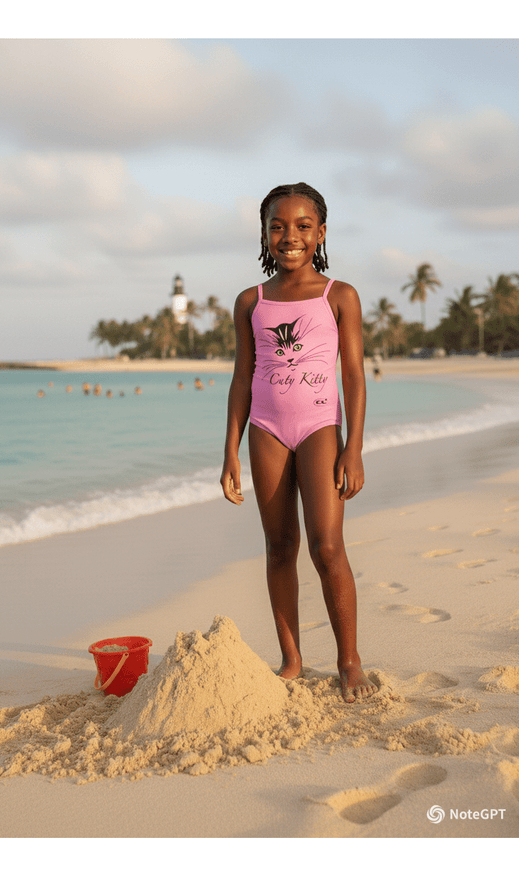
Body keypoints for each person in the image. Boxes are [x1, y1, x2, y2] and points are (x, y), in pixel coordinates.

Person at [220, 182, 377, 703]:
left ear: (321, 233)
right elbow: (243, 377)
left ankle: (349, 661)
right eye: (278, 226)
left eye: (302, 226)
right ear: (264, 235)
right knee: (279, 545)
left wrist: (352, 447)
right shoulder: (251, 301)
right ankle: (291, 660)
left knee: (327, 546)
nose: (290, 236)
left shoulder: (340, 296)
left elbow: (352, 376)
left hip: (319, 431)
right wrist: (229, 453)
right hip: (266, 430)